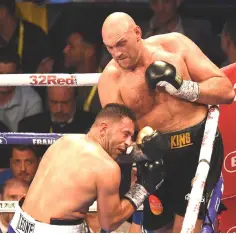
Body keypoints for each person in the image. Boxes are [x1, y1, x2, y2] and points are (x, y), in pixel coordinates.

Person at [98, 12, 235, 233]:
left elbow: (225, 90)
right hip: (156, 158)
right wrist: (139, 154)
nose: (117, 53)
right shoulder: (111, 81)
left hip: (196, 148)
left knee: (188, 227)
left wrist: (184, 89)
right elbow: (115, 146)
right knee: (156, 229)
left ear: (137, 33)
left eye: (121, 44)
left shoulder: (175, 46)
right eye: (110, 48)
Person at [8, 103, 163, 233]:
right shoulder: (107, 168)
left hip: (17, 226)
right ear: (103, 129)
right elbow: (109, 223)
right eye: (125, 134)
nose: (129, 142)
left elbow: (96, 161)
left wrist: (140, 152)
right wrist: (142, 187)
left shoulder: (64, 141)